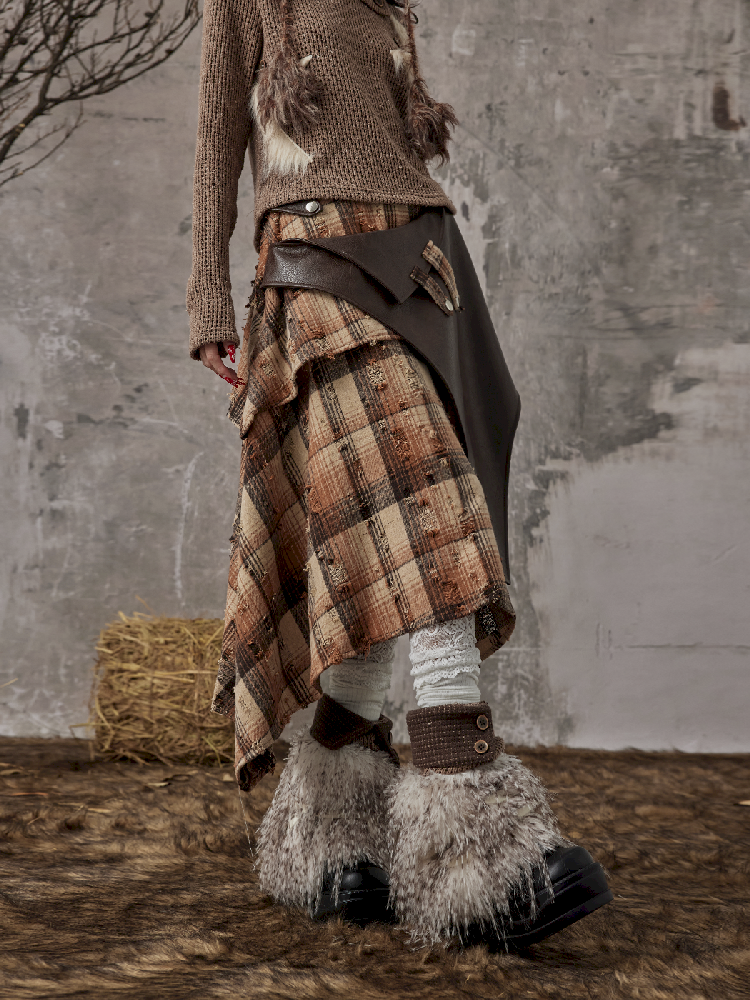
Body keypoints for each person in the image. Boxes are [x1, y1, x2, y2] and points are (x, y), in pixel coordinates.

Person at [187, 0, 612, 950]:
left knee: (379, 555)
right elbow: (217, 134)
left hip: (420, 270)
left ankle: (332, 845)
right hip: (316, 269)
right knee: (430, 529)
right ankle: (478, 867)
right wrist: (207, 296)